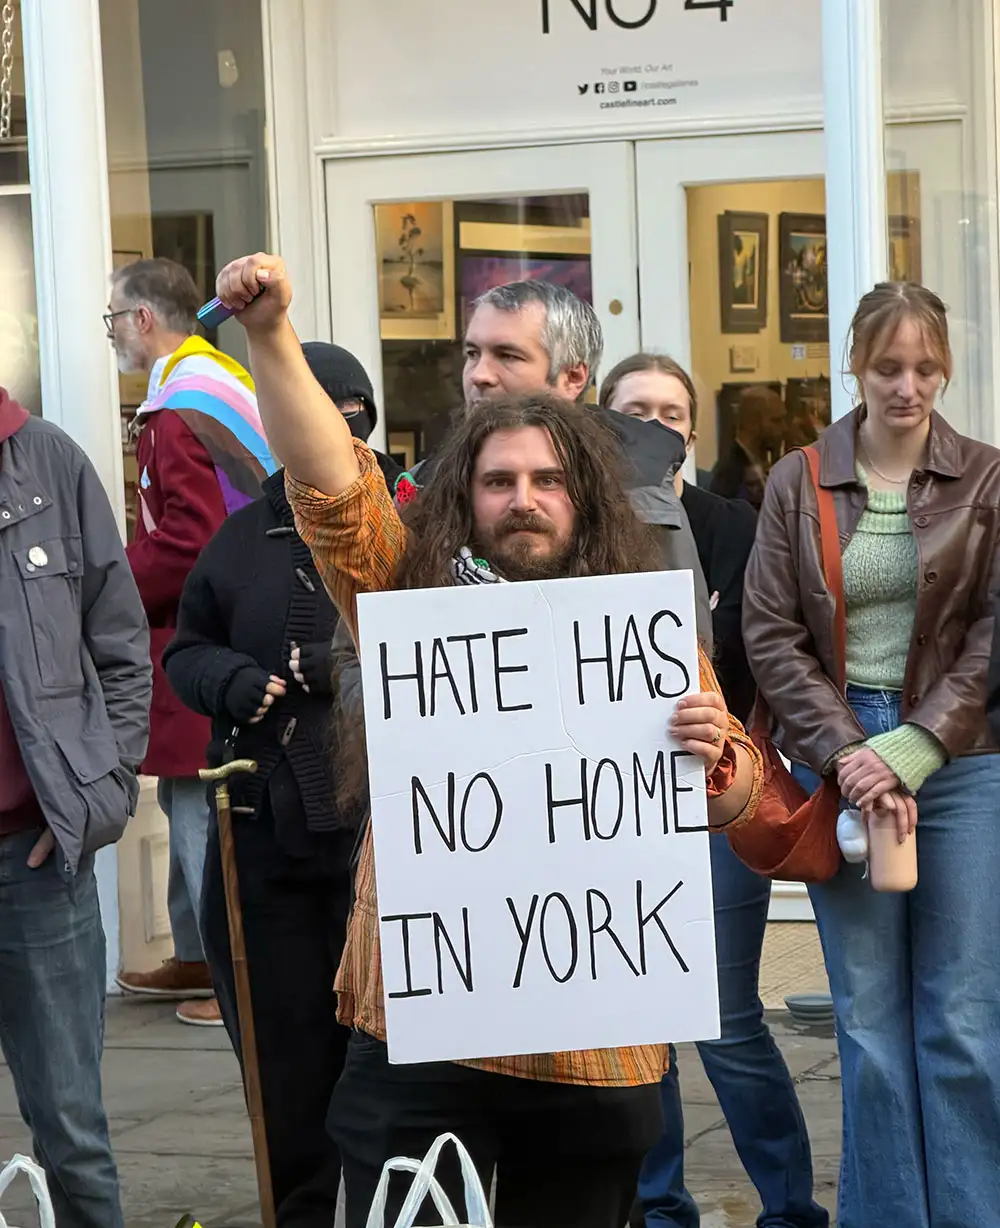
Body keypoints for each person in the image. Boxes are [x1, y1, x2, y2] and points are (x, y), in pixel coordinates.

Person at [213, 251, 765, 1228]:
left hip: (596, 1043)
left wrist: (713, 746)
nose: (523, 496)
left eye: (548, 479)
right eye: (499, 478)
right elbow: (331, 483)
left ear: (582, 494)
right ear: (464, 497)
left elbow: (730, 796)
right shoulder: (403, 594)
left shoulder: (636, 630)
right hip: (427, 1031)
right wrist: (268, 334)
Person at [743, 282, 1000, 1228]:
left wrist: (918, 743)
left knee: (964, 1024)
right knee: (871, 1025)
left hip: (965, 758)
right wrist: (853, 754)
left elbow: (993, 634)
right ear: (855, 363)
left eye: (926, 367)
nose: (909, 386)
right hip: (838, 753)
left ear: (946, 368)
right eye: (889, 366)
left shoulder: (988, 476)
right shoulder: (796, 478)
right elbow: (771, 634)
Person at [162, 343, 399, 1228]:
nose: (339, 428)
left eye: (354, 411)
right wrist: (226, 677)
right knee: (284, 1059)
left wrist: (317, 670)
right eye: (318, 408)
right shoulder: (240, 536)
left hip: (386, 841)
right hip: (267, 841)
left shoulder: (406, 517)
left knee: (388, 1069)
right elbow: (184, 648)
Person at [600, 354, 828, 1228]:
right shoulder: (577, 526)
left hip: (716, 798)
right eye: (634, 410)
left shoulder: (735, 525)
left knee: (728, 1022)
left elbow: (775, 647)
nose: (654, 426)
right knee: (640, 1030)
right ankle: (660, 1211)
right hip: (609, 812)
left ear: (693, 430)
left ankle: (791, 1211)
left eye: (671, 411)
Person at [108, 258, 276, 1027]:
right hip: (219, 621)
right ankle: (198, 952)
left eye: (114, 318)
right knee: (188, 796)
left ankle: (232, 969)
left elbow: (190, 539)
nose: (113, 332)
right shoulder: (213, 383)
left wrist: (112, 587)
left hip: (201, 629)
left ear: (144, 319)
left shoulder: (179, 406)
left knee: (203, 803)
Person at [0, 385, 151, 1228]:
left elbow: (121, 641)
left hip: (35, 854)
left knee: (71, 1129)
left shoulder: (50, 460)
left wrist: (107, 787)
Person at [711, 384, 787, 509]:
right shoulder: (730, 474)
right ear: (753, 422)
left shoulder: (760, 466)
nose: (784, 428)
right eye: (776, 421)